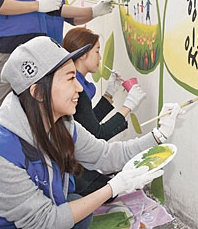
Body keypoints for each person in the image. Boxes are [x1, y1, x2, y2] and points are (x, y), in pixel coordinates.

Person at [0, 36, 181, 229]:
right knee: (73, 210)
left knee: (75, 207)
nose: (79, 89)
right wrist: (113, 188)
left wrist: (158, 136)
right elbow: (44, 221)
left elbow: (105, 155)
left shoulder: (62, 125)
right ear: (37, 92)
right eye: (70, 78)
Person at [62, 27, 147, 197]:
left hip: (74, 161)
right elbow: (97, 134)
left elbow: (86, 120)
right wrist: (128, 105)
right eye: (97, 51)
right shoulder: (76, 88)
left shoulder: (76, 80)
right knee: (117, 189)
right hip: (73, 171)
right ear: (83, 54)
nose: (100, 57)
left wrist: (109, 93)